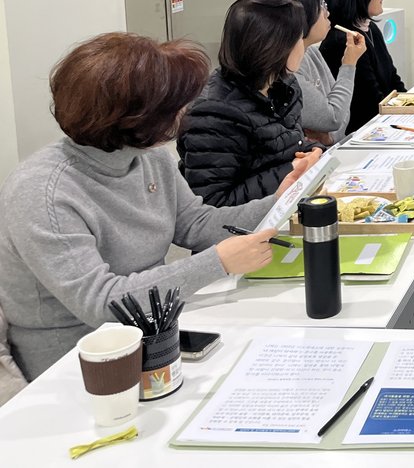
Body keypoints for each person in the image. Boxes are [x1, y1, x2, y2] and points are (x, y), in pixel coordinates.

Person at [0, 33, 311, 380]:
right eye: (173, 107)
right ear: (135, 117)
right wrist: (218, 262)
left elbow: (196, 223)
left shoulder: (148, 159)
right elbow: (101, 303)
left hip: (156, 333)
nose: (185, 112)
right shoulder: (43, 192)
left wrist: (281, 199)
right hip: (76, 364)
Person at [178, 0, 323, 207]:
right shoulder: (213, 113)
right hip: (249, 223)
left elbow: (291, 143)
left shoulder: (283, 86)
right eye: (298, 38)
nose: (302, 46)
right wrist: (292, 170)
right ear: (275, 47)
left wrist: (314, 151)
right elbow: (212, 204)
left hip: (285, 207)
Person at [269, 0, 367, 145]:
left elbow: (342, 115)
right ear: (302, 17)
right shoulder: (287, 68)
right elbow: (334, 118)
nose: (326, 13)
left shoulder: (312, 52)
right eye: (320, 6)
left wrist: (329, 138)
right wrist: (349, 64)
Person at [319, 0, 406, 135]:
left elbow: (393, 80)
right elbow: (369, 104)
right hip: (362, 132)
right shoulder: (343, 41)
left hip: (384, 123)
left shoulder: (370, 28)